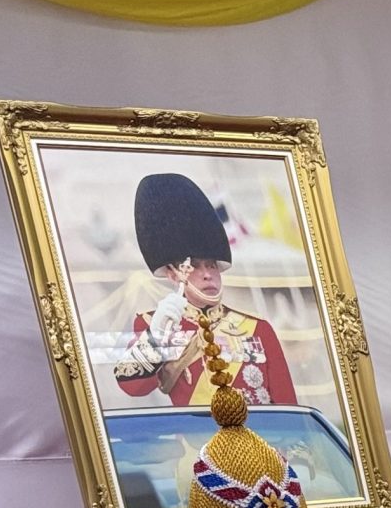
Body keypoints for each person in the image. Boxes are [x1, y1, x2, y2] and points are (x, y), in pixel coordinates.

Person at [112, 171, 295, 409]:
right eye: (195, 267)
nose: (207, 274)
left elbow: (287, 405)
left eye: (211, 265)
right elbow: (132, 387)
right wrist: (156, 335)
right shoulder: (154, 325)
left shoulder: (258, 329)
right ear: (173, 274)